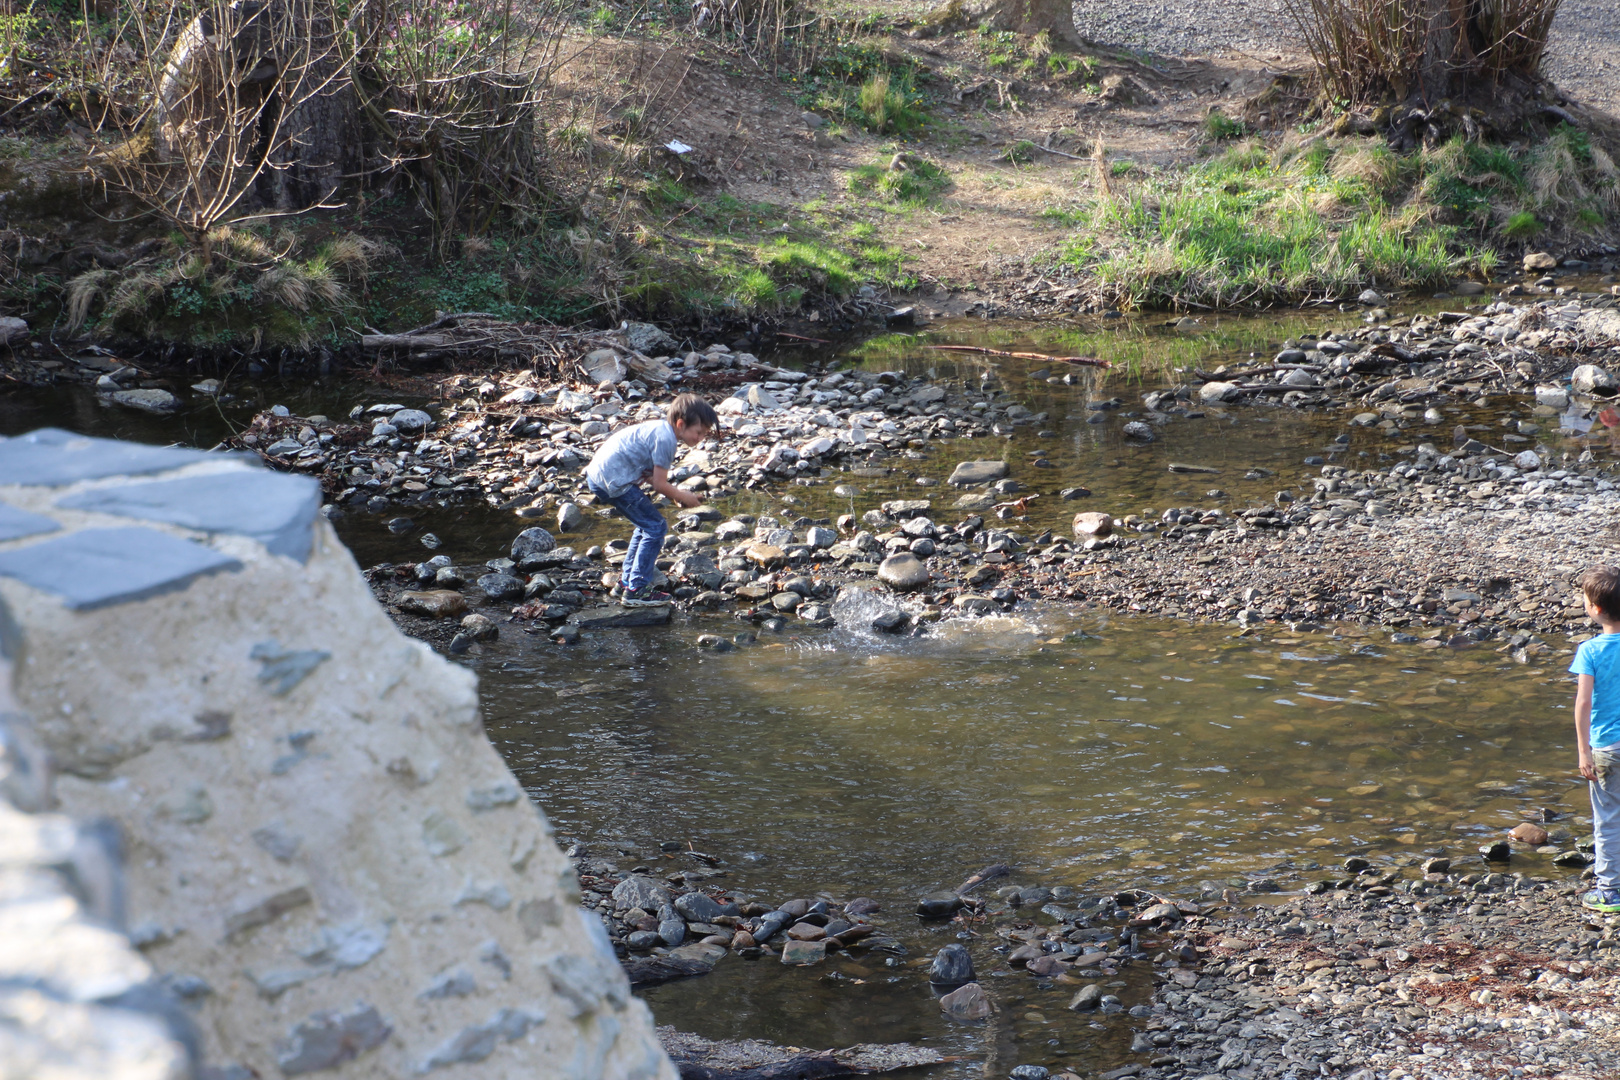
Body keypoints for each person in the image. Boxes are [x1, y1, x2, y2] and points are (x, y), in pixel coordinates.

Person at [584, 393, 716, 607]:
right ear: (681, 424)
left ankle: (626, 583)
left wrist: (675, 497)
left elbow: (650, 476)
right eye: (699, 432)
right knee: (656, 527)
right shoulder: (666, 440)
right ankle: (636, 589)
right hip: (614, 481)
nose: (700, 438)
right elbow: (659, 484)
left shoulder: (659, 429)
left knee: (645, 525)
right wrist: (684, 496)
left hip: (601, 476)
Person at [1571, 565, 1620, 913]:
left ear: (1596, 609)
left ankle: (1609, 891)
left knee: (1607, 820)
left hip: (1607, 748)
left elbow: (1584, 703)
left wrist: (1583, 751)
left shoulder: (1590, 650)